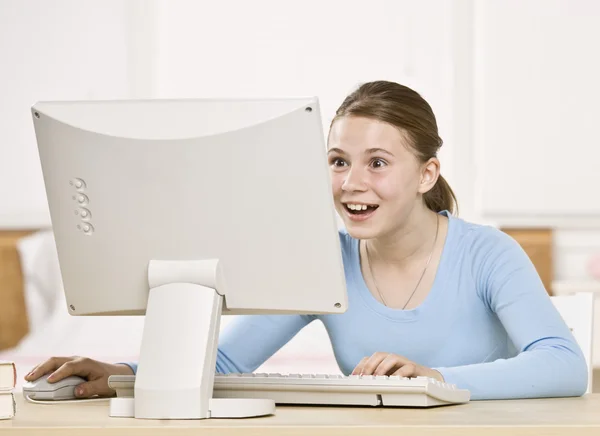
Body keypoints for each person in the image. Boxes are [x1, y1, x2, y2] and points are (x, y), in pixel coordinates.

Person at [25, 80, 588, 401]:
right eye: (338, 161)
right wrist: (123, 373)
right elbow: (226, 358)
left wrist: (434, 379)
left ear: (426, 173)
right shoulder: (326, 260)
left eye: (378, 163)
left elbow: (564, 364)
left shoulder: (488, 253)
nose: (351, 184)